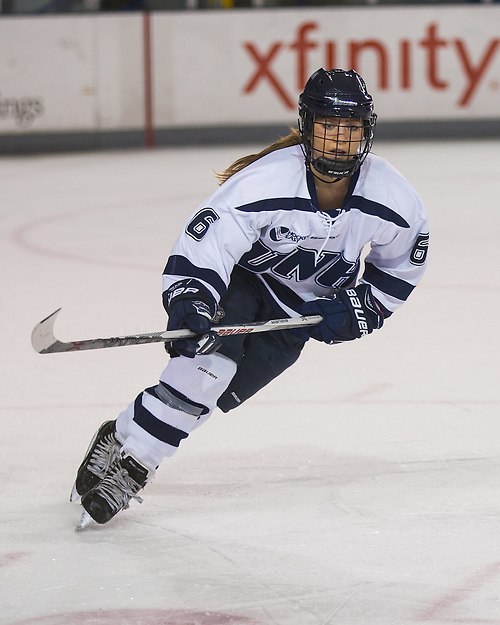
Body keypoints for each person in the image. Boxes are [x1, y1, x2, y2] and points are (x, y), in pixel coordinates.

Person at [71, 68, 429, 528]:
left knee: (218, 392)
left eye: (351, 128)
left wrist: (360, 310)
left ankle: (120, 434)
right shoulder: (266, 182)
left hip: (299, 315)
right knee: (205, 370)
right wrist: (192, 297)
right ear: (307, 127)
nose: (339, 140)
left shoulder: (392, 197)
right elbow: (210, 238)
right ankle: (136, 467)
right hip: (245, 284)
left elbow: (401, 265)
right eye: (328, 126)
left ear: (367, 132)